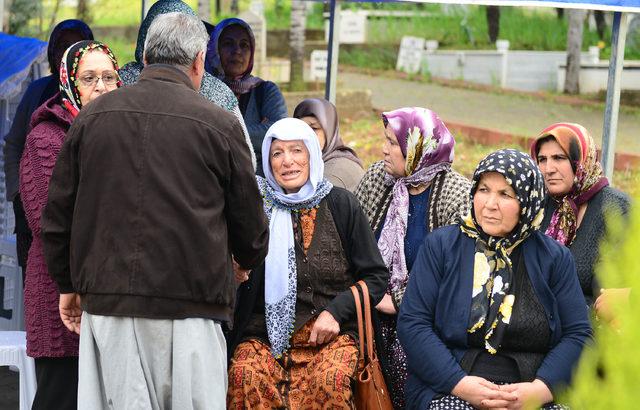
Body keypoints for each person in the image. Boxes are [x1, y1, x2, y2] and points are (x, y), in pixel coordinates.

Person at [41, 13, 269, 408]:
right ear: (200, 61)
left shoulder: (91, 118)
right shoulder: (219, 124)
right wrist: (244, 261)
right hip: (191, 309)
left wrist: (67, 284)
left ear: (144, 58)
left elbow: (58, 216)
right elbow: (251, 225)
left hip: (109, 303)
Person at [397, 149, 592, 410]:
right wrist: (461, 385)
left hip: (530, 389)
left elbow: (577, 334)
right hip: (451, 385)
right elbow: (413, 323)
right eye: (484, 190)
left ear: (527, 201)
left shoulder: (554, 258)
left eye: (505, 194)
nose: (490, 204)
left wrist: (540, 390)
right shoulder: (442, 247)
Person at [226, 118, 389, 408]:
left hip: (331, 337)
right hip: (265, 337)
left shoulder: (341, 205)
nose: (288, 162)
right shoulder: (256, 208)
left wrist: (336, 312)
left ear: (312, 154)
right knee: (244, 375)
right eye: (277, 153)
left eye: (297, 151)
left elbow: (375, 278)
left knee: (331, 382)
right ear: (267, 160)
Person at [18, 40, 120, 410]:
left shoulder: (122, 134)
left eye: (109, 77)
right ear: (68, 83)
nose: (101, 87)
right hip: (60, 291)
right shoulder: (46, 138)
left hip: (109, 294)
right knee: (61, 397)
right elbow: (48, 223)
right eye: (89, 78)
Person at [354, 107, 470, 409]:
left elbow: (456, 271)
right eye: (386, 141)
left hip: (428, 316)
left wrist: (399, 300)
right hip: (367, 306)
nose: (384, 149)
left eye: (393, 143)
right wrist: (368, 292)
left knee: (408, 359)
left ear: (419, 148)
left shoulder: (456, 194)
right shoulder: (377, 179)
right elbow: (350, 241)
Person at [119, 0, 256, 169]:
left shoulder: (119, 82)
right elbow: (245, 162)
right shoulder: (217, 91)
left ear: (146, 45)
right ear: (200, 56)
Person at [3, 19, 93, 275]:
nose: (68, 52)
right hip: (31, 217)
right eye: (61, 46)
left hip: (80, 220)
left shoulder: (99, 93)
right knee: (36, 290)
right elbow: (13, 145)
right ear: (52, 53)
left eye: (76, 45)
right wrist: (18, 194)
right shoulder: (37, 91)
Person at [530, 123, 631, 321]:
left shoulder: (618, 210)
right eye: (542, 159)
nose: (548, 169)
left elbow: (611, 296)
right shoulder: (538, 205)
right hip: (538, 322)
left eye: (559, 158)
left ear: (582, 159)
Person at [206, 18, 287, 175]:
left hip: (257, 186)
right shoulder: (204, 89)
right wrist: (257, 131)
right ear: (214, 48)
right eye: (228, 43)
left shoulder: (265, 91)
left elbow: (277, 133)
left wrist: (219, 132)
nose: (237, 51)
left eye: (244, 45)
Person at [293, 98, 364, 192]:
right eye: (300, 128)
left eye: (314, 128)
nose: (306, 135)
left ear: (329, 131)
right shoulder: (321, 161)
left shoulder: (332, 174)